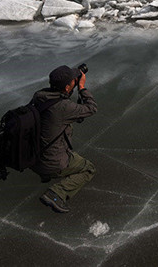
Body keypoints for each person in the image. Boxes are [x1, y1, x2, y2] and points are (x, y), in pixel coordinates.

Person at [32, 65, 97, 213]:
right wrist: (81, 87)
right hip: (51, 162)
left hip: (33, 158)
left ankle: (45, 174)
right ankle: (56, 193)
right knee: (89, 169)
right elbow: (92, 108)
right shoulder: (63, 107)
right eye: (72, 81)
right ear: (68, 87)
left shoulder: (39, 96)